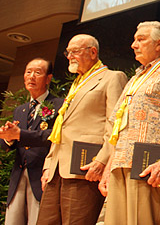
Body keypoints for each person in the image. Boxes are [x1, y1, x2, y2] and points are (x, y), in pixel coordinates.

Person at [100, 21, 160, 225]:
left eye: (141, 39)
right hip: (120, 162)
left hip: (147, 164)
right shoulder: (135, 78)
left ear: (159, 44)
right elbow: (118, 125)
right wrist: (108, 167)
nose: (134, 44)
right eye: (134, 39)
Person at [36, 34, 127, 224]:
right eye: (68, 52)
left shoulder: (112, 78)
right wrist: (48, 164)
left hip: (85, 166)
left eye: (75, 52)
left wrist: (102, 160)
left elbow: (115, 124)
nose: (70, 57)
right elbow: (62, 127)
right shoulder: (77, 83)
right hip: (56, 169)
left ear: (93, 52)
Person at [0, 58, 63, 225]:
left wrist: (20, 135)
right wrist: (8, 138)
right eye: (28, 72)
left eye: (37, 72)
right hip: (18, 175)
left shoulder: (59, 105)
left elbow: (54, 135)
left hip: (41, 174)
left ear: (48, 78)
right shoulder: (20, 109)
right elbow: (10, 144)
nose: (31, 76)